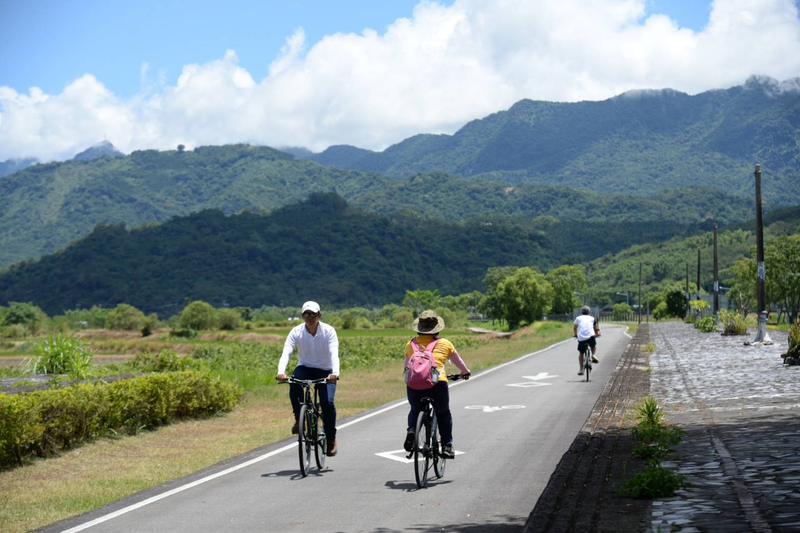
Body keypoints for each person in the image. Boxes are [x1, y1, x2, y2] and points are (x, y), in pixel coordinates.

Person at [403, 310, 470, 459]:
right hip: (437, 384)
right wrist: (465, 372)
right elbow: (459, 362)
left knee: (415, 409)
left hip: (414, 387)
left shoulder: (410, 344)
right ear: (437, 328)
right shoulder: (444, 343)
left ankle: (412, 430)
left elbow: (406, 368)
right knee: (443, 413)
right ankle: (447, 446)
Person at [276, 301, 340, 456]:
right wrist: (281, 372)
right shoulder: (296, 331)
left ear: (319, 315)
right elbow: (287, 352)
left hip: (326, 370)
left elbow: (334, 353)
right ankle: (299, 419)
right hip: (305, 368)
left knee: (327, 403)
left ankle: (331, 438)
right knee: (294, 383)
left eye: (313, 314)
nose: (309, 317)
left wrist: (335, 373)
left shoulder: (328, 331)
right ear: (302, 316)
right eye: (306, 314)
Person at [573, 305, 600, 375]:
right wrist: (597, 334)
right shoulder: (592, 318)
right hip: (590, 337)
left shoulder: (578, 318)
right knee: (593, 346)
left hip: (581, 338)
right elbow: (595, 329)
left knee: (581, 353)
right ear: (589, 312)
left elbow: (575, 328)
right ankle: (593, 355)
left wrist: (576, 334)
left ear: (581, 312)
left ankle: (581, 369)